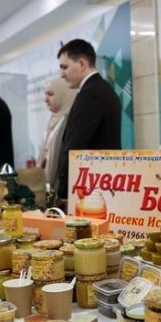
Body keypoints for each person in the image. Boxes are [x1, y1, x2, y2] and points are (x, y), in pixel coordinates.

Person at [55, 39, 122, 202]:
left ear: (81, 64)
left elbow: (74, 147)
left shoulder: (90, 95)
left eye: (64, 67)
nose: (62, 74)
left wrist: (63, 193)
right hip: (103, 186)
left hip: (91, 191)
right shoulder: (102, 89)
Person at [39, 77, 77, 188]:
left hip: (62, 187)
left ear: (63, 94)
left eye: (50, 94)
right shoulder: (53, 119)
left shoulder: (69, 122)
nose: (46, 99)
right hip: (47, 186)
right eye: (45, 94)